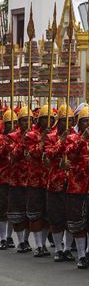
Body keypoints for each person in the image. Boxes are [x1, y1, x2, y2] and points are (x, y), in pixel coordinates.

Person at [65, 104, 89, 268]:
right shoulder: (72, 137)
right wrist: (83, 138)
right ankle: (81, 255)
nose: (88, 125)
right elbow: (70, 153)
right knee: (78, 222)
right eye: (84, 121)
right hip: (77, 184)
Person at [24, 104, 54, 257]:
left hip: (49, 180)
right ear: (39, 119)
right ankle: (38, 244)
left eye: (51, 119)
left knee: (47, 213)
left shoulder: (55, 135)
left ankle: (44, 243)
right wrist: (42, 139)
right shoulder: (30, 135)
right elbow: (33, 153)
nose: (48, 122)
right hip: (35, 180)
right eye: (45, 119)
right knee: (35, 213)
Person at [44, 103, 71, 261]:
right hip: (55, 183)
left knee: (70, 219)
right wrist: (61, 140)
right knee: (56, 218)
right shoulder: (50, 137)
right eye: (63, 120)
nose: (66, 124)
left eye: (70, 120)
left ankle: (67, 248)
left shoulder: (75, 137)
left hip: (72, 183)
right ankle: (59, 248)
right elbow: (50, 154)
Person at [6, 106, 31, 251]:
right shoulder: (12, 137)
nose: (26, 123)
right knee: (17, 212)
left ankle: (26, 240)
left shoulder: (35, 135)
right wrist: (23, 141)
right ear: (19, 122)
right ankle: (20, 240)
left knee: (30, 212)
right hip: (16, 179)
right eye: (23, 120)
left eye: (29, 120)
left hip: (31, 179)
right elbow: (13, 154)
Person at [0, 108, 17, 249]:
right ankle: (2, 237)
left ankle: (10, 236)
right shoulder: (1, 138)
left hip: (16, 178)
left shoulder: (20, 137)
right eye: (8, 123)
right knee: (3, 209)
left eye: (14, 123)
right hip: (3, 178)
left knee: (12, 210)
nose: (11, 126)